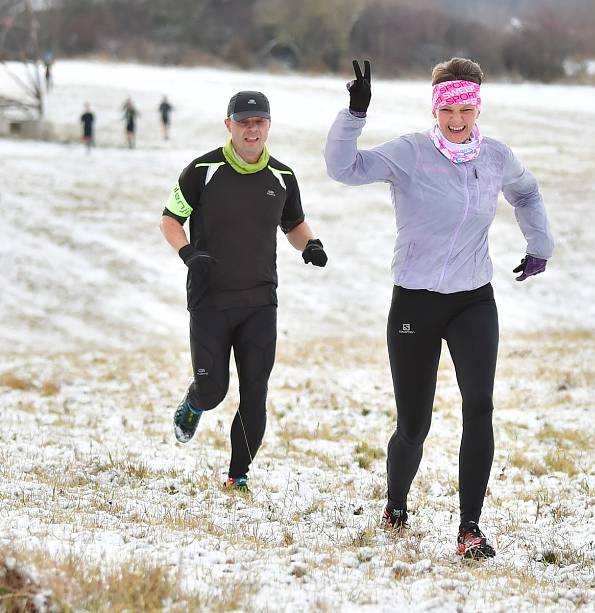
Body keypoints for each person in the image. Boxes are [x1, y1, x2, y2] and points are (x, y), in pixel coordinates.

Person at [325, 58, 554, 559]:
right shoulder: (410, 152)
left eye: (465, 108)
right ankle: (396, 503)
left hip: (474, 299)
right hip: (416, 302)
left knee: (481, 408)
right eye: (447, 108)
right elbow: (343, 168)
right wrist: (354, 114)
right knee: (414, 424)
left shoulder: (495, 157)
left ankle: (469, 528)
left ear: (477, 108)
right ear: (436, 108)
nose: (456, 118)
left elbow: (527, 192)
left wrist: (539, 244)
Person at [160, 90, 328, 493]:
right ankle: (194, 403)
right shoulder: (202, 171)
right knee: (214, 390)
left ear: (268, 125)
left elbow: (293, 224)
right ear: (229, 125)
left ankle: (238, 475)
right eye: (244, 122)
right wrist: (188, 254)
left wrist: (311, 245)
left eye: (259, 122)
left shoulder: (283, 177)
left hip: (259, 301)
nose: (252, 130)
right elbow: (170, 219)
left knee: (255, 392)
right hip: (210, 300)